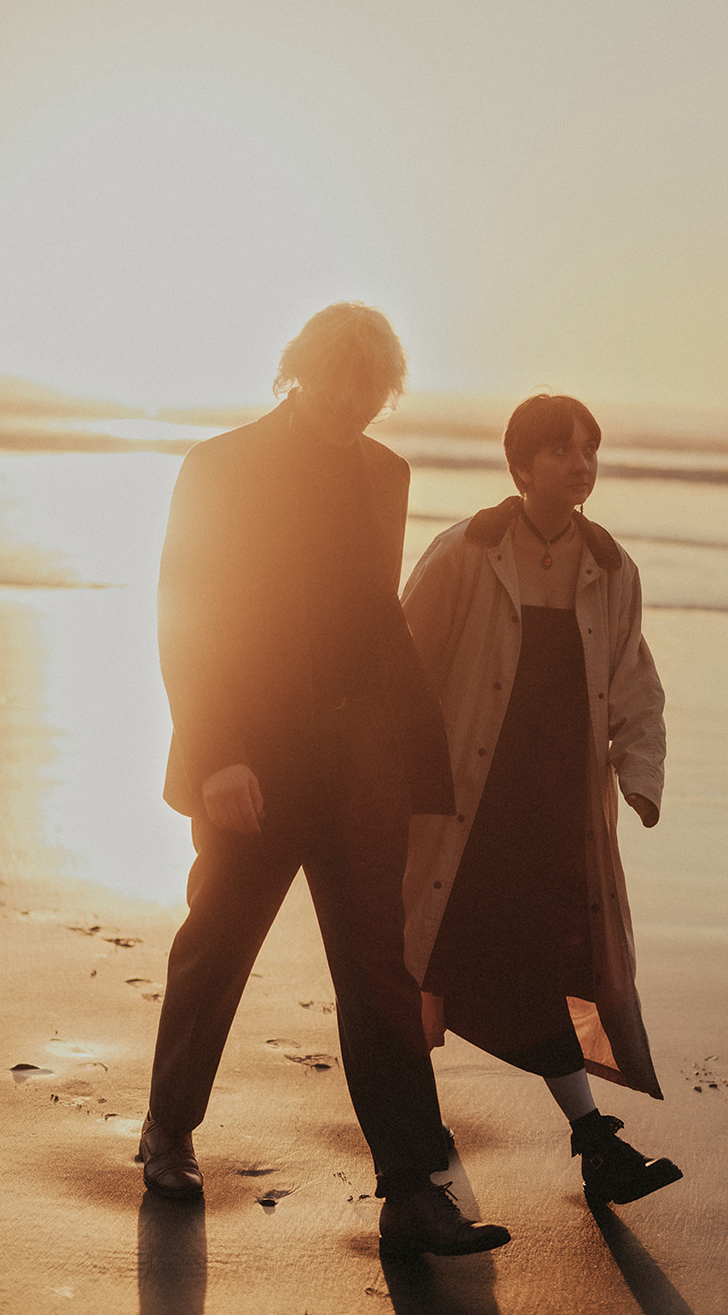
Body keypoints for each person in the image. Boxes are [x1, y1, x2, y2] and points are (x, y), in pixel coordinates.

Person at [141, 302, 510, 1259]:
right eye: (341, 383)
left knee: (379, 973)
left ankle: (408, 1188)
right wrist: (217, 751)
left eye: (373, 390)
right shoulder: (220, 466)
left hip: (356, 771)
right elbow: (188, 611)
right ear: (298, 370)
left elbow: (372, 620)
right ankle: (168, 1131)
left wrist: (411, 754)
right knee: (218, 946)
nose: (356, 404)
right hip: (250, 767)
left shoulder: (384, 472)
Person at [401, 393, 682, 1207]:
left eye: (589, 449)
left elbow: (634, 679)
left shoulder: (610, 566)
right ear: (520, 465)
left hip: (555, 810)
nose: (580, 463)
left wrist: (640, 775)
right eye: (561, 450)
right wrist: (388, 776)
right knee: (428, 955)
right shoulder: (465, 551)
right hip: (464, 802)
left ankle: (590, 1139)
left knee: (536, 959)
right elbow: (408, 664)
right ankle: (432, 1124)